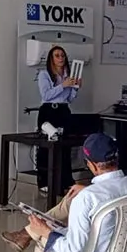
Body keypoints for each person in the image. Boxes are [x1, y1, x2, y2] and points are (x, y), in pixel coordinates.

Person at [36, 45, 82, 194]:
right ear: (51, 59)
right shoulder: (44, 74)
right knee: (46, 147)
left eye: (62, 55)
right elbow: (46, 95)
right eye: (57, 56)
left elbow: (69, 98)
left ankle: (66, 181)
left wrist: (75, 88)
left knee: (65, 147)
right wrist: (63, 85)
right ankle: (44, 181)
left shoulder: (68, 75)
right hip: (49, 111)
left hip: (63, 110)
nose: (61, 58)